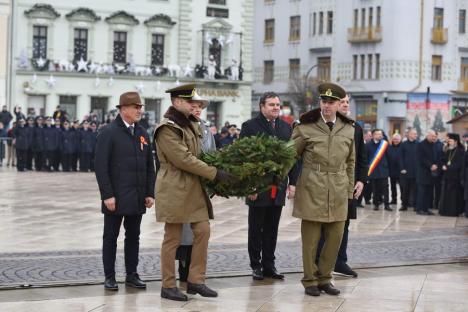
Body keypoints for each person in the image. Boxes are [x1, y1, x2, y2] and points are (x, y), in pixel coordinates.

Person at [154, 83, 235, 301]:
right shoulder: (167, 128)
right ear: (176, 102)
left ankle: (196, 280)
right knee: (173, 238)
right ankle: (168, 285)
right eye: (190, 102)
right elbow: (183, 159)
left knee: (203, 231)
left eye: (194, 103)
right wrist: (214, 173)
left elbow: (203, 154)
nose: (194, 106)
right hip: (174, 187)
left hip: (194, 186)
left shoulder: (192, 125)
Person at [291, 83, 355, 297]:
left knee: (335, 238)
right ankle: (310, 280)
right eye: (324, 101)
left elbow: (351, 162)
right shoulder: (305, 127)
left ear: (339, 104)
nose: (327, 106)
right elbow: (289, 156)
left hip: (338, 189)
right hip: (312, 188)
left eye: (331, 102)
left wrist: (348, 191)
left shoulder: (348, 128)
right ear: (319, 102)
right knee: (310, 240)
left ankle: (325, 278)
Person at [95, 91, 156, 291]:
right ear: (123, 109)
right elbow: (101, 167)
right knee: (110, 238)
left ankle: (132, 274)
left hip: (137, 197)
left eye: (140, 107)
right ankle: (109, 276)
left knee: (133, 238)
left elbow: (149, 166)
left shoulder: (142, 133)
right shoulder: (108, 132)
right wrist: (107, 195)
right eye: (135, 107)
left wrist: (149, 192)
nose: (139, 110)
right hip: (116, 197)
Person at [240, 92, 299, 281]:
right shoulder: (250, 126)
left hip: (278, 186)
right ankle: (255, 265)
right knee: (256, 228)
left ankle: (269, 265)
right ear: (262, 106)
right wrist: (250, 186)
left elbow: (292, 157)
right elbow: (243, 158)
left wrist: (293, 183)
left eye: (277, 105)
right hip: (258, 187)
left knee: (272, 228)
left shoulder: (285, 127)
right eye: (271, 104)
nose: (276, 108)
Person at [316, 94, 367, 279]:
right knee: (323, 222)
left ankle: (340, 260)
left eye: (347, 102)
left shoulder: (355, 128)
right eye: (342, 102)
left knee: (343, 223)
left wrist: (361, 180)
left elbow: (362, 157)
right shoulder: (321, 125)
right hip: (326, 183)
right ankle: (319, 261)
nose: (345, 105)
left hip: (348, 184)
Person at [176, 93, 217, 283]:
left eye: (200, 106)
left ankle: (196, 274)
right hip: (185, 184)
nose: (198, 109)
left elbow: (213, 155)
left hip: (203, 183)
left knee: (200, 231)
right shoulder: (179, 127)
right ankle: (183, 270)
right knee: (183, 230)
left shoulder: (206, 130)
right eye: (194, 105)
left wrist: (216, 181)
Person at [439, 133, 465, 217]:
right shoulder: (449, 150)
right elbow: (443, 159)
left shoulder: (461, 151)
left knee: (454, 195)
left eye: (450, 141)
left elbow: (460, 164)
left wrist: (448, 167)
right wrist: (443, 165)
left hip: (455, 176)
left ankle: (453, 211)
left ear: (455, 141)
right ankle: (445, 211)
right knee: (446, 194)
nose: (449, 142)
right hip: (447, 176)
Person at [366, 129, 391, 211]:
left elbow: (389, 156)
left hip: (383, 170)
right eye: (377, 134)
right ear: (373, 135)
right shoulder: (368, 145)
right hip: (373, 170)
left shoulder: (385, 144)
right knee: (375, 189)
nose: (379, 135)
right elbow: (366, 157)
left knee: (385, 188)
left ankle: (387, 205)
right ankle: (376, 204)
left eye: (380, 134)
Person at [415, 131, 438, 215]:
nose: (434, 138)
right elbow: (421, 158)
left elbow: (436, 156)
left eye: (435, 136)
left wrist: (436, 165)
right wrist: (430, 165)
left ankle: (426, 208)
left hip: (432, 173)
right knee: (422, 192)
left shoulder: (434, 145)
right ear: (427, 135)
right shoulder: (421, 145)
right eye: (432, 136)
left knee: (429, 192)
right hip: (423, 172)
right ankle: (419, 209)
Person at [398, 128, 418, 211]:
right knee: (405, 189)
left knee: (416, 189)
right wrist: (402, 168)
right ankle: (404, 205)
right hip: (405, 171)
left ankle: (415, 205)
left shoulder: (418, 144)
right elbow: (400, 157)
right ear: (409, 134)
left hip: (416, 171)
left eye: (416, 134)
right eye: (414, 134)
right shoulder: (403, 144)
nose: (416, 135)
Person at [387, 134, 402, 205]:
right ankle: (394, 199)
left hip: (401, 171)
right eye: (394, 139)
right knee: (392, 186)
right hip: (392, 170)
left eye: (397, 139)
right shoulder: (389, 147)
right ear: (392, 140)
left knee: (402, 186)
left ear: (400, 140)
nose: (395, 140)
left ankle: (403, 200)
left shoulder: (402, 147)